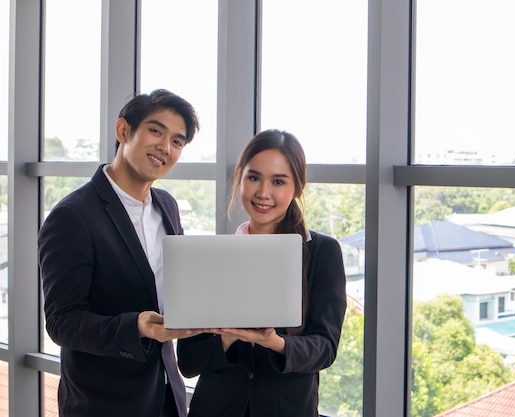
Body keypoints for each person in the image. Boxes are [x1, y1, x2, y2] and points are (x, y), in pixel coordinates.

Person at [38, 89, 204, 417]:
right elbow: (62, 322)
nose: (165, 147)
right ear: (123, 131)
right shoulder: (72, 216)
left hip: (167, 397)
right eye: (156, 131)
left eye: (177, 142)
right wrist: (136, 327)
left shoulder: (167, 206)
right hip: (103, 402)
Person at [177, 129, 348, 417]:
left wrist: (274, 342)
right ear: (239, 179)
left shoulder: (323, 252)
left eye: (278, 181)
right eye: (253, 177)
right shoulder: (213, 257)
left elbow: (324, 348)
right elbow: (189, 361)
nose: (263, 192)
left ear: (298, 188)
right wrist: (229, 336)